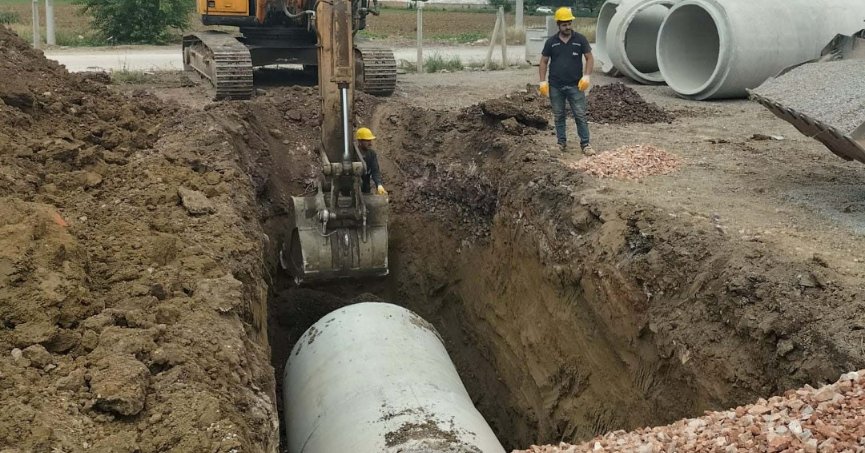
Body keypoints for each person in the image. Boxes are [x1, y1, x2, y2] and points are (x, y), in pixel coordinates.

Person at [538, 7, 595, 156]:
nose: (568, 26)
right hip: (556, 85)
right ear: (558, 24)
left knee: (580, 115)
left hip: (576, 85)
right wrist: (542, 82)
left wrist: (587, 76)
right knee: (559, 115)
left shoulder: (580, 39)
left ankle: (586, 144)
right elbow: (543, 61)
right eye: (564, 24)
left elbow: (589, 58)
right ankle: (561, 143)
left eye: (569, 23)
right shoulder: (551, 42)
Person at [355, 127, 387, 195]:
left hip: (366, 188)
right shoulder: (353, 153)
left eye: (370, 140)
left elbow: (375, 171)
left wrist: (379, 185)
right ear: (360, 141)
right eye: (367, 141)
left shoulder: (371, 154)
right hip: (353, 189)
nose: (370, 143)